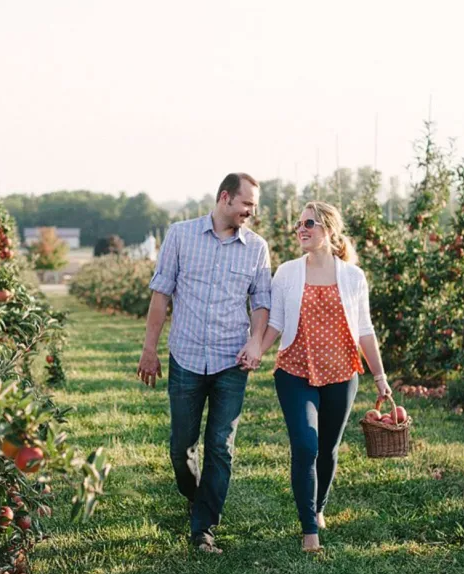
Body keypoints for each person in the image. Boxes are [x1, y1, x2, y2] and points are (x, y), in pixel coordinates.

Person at [137, 172, 271, 554]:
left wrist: (256, 342)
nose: (251, 211)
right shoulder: (180, 235)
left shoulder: (257, 248)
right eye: (247, 204)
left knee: (220, 446)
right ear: (225, 198)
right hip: (187, 357)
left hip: (232, 360)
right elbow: (161, 295)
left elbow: (261, 302)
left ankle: (204, 529)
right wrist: (150, 349)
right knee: (181, 447)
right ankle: (196, 496)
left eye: (254, 206)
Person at [256, 201, 393, 552]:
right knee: (305, 445)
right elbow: (276, 322)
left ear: (329, 230)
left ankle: (318, 508)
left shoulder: (352, 276)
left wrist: (379, 376)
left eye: (310, 223)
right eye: (299, 224)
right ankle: (308, 530)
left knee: (327, 449)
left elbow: (364, 329)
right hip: (295, 371)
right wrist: (256, 347)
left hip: (341, 373)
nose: (302, 229)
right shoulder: (287, 272)